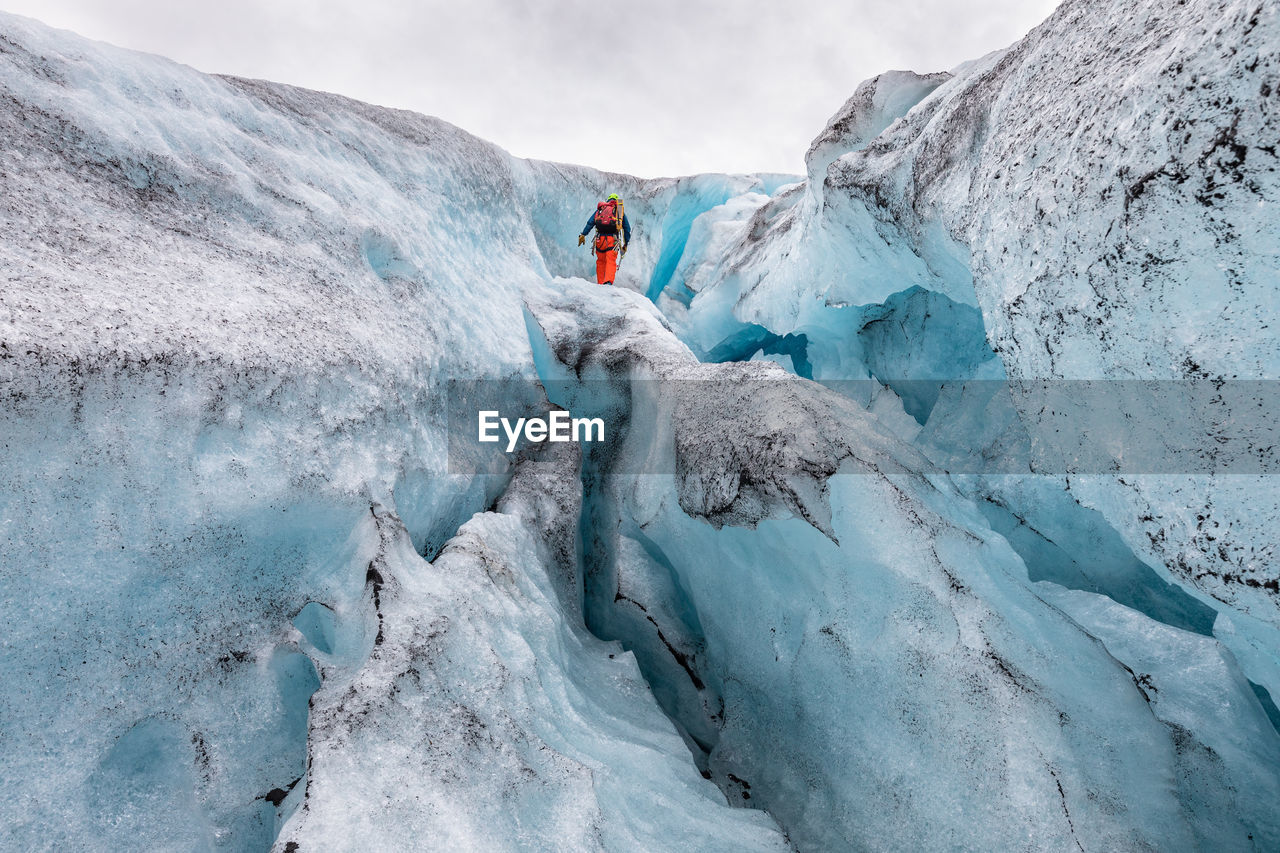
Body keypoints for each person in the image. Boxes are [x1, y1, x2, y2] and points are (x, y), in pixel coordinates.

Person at [578, 193, 632, 285]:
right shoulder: (619, 210)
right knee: (610, 261)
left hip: (599, 240)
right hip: (612, 240)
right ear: (616, 200)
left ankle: (600, 283)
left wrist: (583, 234)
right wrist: (626, 244)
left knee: (601, 262)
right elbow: (627, 229)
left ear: (608, 200)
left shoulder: (600, 209)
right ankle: (608, 283)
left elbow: (590, 223)